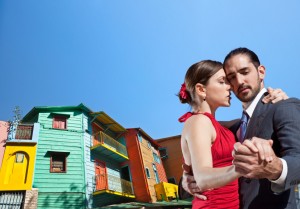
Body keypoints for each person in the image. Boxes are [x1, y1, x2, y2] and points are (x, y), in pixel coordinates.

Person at [181, 47, 300, 209]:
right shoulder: (225, 125)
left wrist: (276, 168)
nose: (237, 82)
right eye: (229, 78)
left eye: (245, 72)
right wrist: (187, 174)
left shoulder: (281, 107)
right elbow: (197, 143)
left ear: (261, 72)